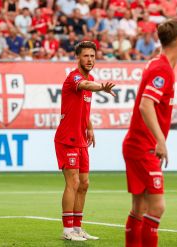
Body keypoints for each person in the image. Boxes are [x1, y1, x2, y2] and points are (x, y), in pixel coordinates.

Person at [123, 19, 177, 247]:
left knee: (139, 208)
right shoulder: (162, 70)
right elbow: (145, 104)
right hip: (143, 146)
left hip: (137, 144)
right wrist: (161, 141)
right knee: (157, 207)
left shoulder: (156, 64)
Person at [54, 41, 116, 241]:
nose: (89, 59)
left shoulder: (91, 79)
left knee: (84, 184)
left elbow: (83, 107)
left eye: (92, 56)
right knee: (73, 182)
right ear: (78, 58)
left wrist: (89, 126)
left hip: (80, 138)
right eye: (85, 56)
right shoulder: (74, 78)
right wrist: (101, 88)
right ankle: (67, 230)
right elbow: (86, 85)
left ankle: (78, 227)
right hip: (67, 138)